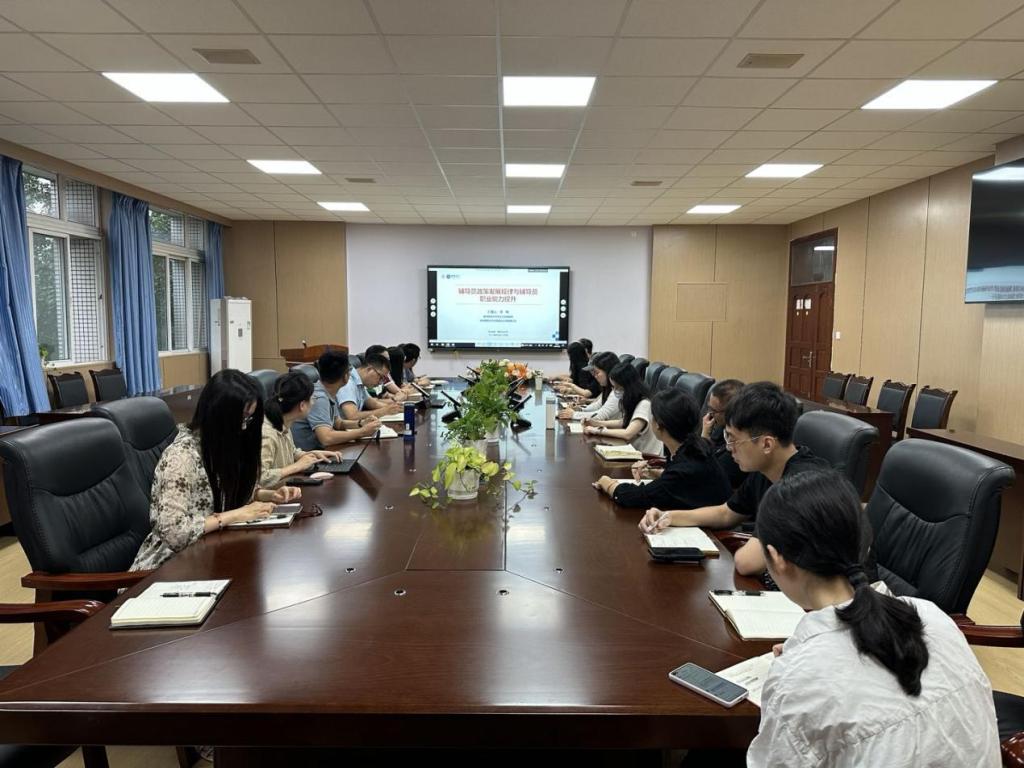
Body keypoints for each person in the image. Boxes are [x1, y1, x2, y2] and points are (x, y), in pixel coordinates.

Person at [748, 471, 1000, 767]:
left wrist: (800, 669)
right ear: (863, 545)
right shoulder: (932, 616)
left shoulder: (796, 681)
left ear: (777, 559)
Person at [638, 382, 831, 576]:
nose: (729, 447)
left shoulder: (800, 486)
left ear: (766, 444)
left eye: (733, 439)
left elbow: (747, 563)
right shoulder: (766, 469)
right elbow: (726, 513)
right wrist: (668, 516)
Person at [130, 369, 301, 572]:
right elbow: (174, 533)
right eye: (242, 419)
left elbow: (225, 494)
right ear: (218, 416)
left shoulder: (220, 446)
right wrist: (235, 515)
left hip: (212, 550)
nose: (244, 428)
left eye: (249, 419)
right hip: (168, 566)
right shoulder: (181, 457)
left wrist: (267, 495)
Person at [593, 388, 730, 510]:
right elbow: (681, 483)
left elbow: (635, 497)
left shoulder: (684, 467)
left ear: (658, 424)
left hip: (708, 529)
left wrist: (607, 482)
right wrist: (653, 473)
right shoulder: (696, 446)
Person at [260, 371, 343, 489]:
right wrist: (297, 466)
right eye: (312, 399)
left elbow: (291, 452)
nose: (313, 402)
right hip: (271, 496)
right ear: (302, 405)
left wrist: (311, 455)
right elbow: (260, 478)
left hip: (284, 489)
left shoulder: (284, 420)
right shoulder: (267, 433)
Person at [291, 349, 382, 451]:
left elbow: (338, 423)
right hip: (309, 454)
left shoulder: (327, 391)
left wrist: (361, 423)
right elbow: (326, 438)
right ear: (346, 377)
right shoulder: (319, 398)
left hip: (321, 451)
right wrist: (363, 432)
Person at [584, 362, 663, 456]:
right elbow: (625, 422)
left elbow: (628, 433)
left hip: (647, 457)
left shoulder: (645, 404)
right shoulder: (634, 399)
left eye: (617, 388)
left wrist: (598, 430)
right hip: (634, 451)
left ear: (628, 387)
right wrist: (597, 423)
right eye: (613, 387)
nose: (615, 391)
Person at [701, 378, 747, 488]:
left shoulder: (739, 449)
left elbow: (707, 475)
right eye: (709, 408)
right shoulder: (720, 428)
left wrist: (704, 438)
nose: (709, 414)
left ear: (731, 412)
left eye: (714, 411)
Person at [338, 351, 402, 421]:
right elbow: (352, 416)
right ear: (369, 369)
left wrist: (397, 408)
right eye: (381, 377)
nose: (380, 383)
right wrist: (384, 411)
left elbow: (374, 403)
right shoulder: (348, 382)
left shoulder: (359, 383)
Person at [558, 351, 620, 421]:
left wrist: (574, 414)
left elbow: (602, 415)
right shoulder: (608, 388)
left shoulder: (618, 391)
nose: (594, 376)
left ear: (608, 371)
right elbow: (598, 405)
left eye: (597, 372)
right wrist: (580, 409)